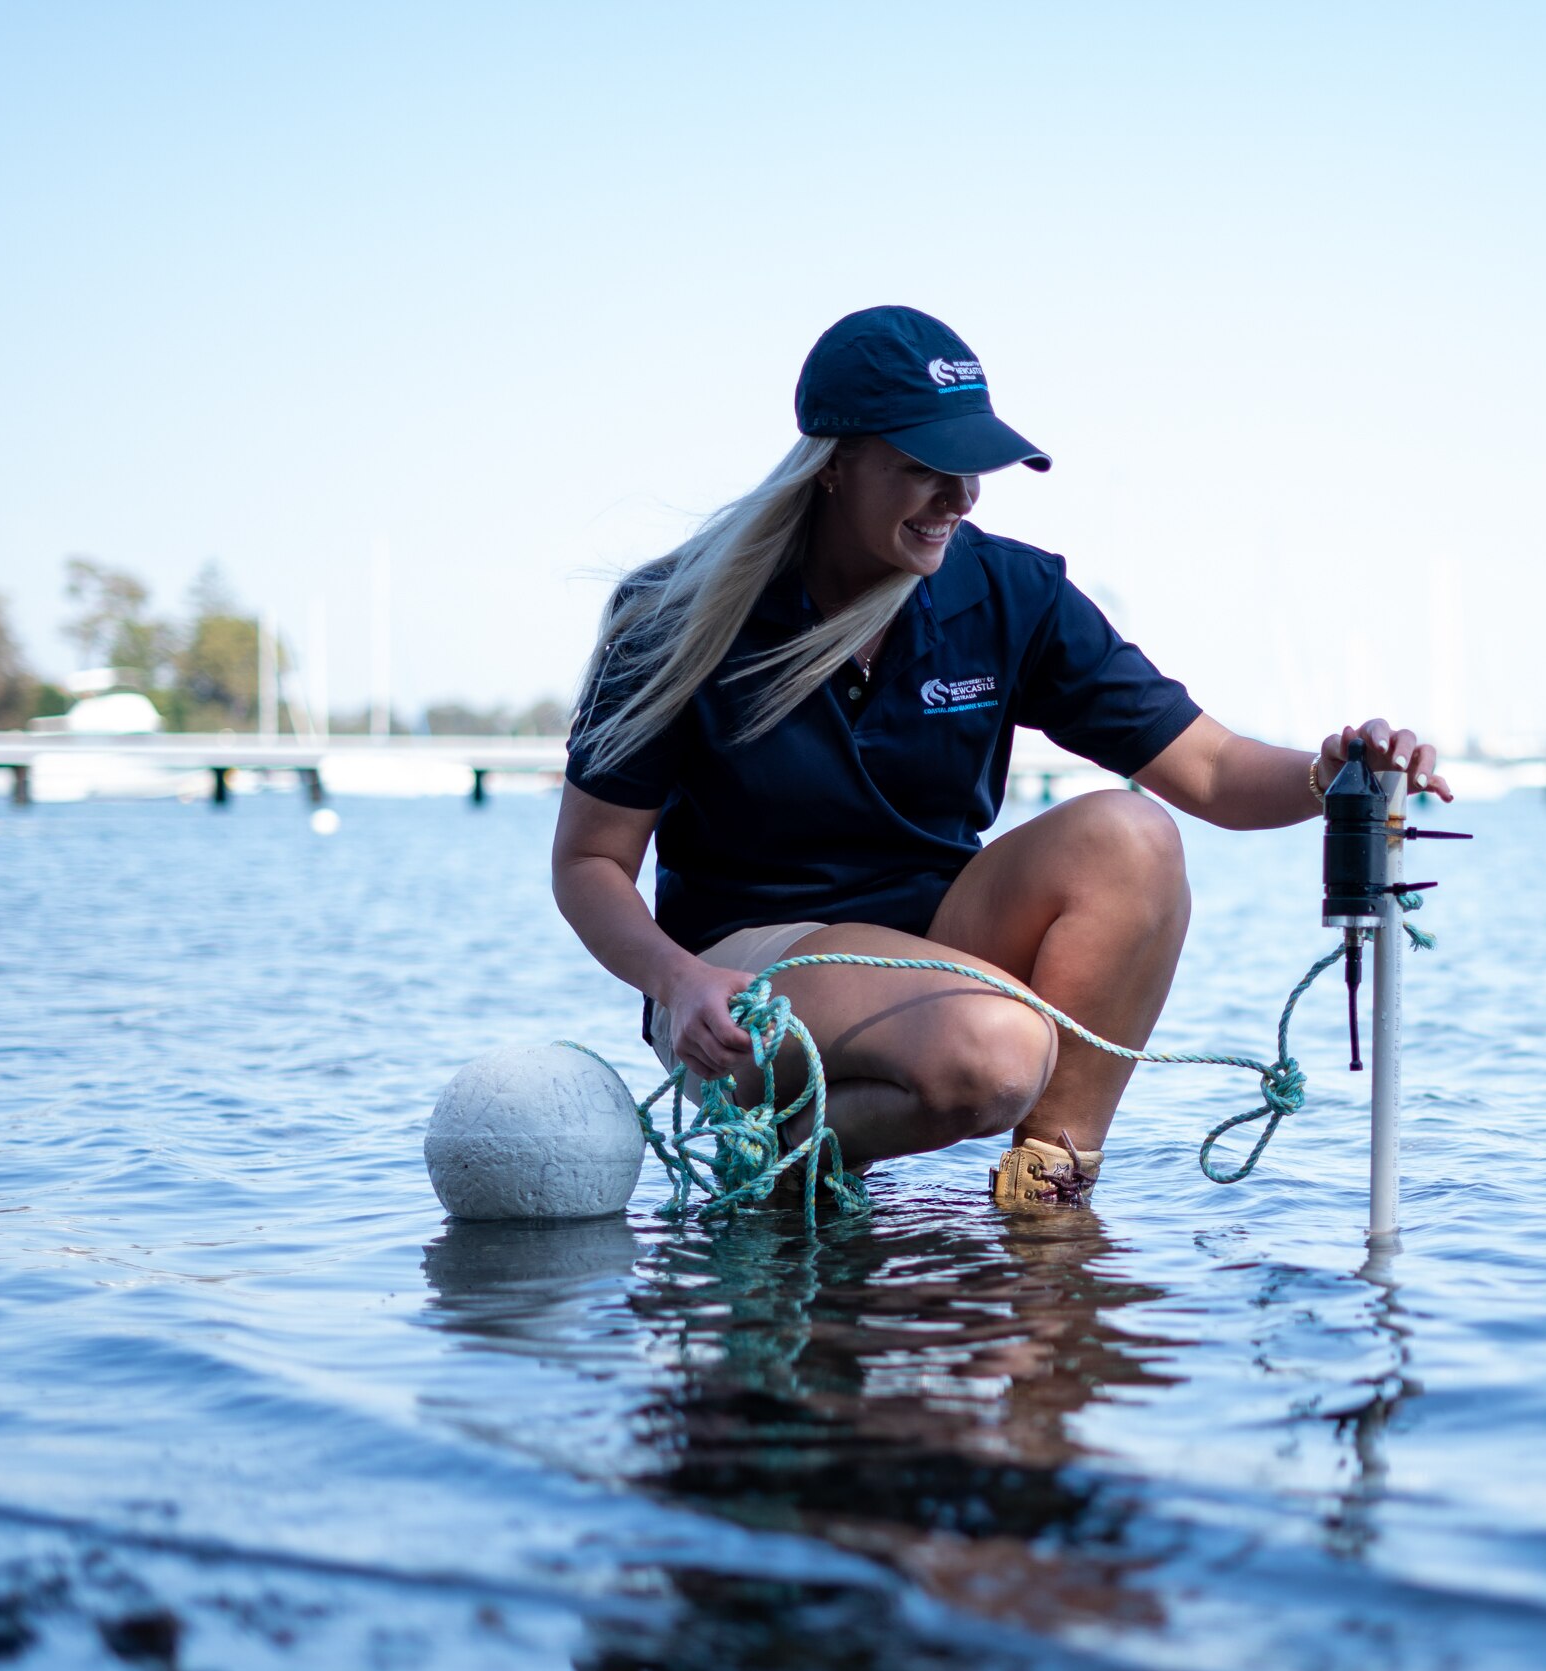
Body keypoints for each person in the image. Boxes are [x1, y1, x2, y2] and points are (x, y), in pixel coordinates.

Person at [551, 306, 1448, 1210]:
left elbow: (1210, 770)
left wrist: (1333, 771)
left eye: (972, 468)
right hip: (743, 980)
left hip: (933, 949)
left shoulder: (1012, 592)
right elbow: (589, 862)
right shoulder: (674, 611)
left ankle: (1047, 1201)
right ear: (833, 463)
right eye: (923, 468)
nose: (961, 497)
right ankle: (776, 1166)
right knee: (1000, 1050)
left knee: (1133, 834)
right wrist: (679, 979)